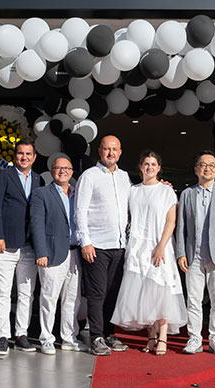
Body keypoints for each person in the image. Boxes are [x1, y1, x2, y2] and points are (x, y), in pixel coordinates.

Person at [111, 150, 186, 356]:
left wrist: (161, 246)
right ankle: (151, 335)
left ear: (159, 168)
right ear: (140, 167)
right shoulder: (133, 191)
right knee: (144, 292)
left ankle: (163, 336)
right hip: (138, 247)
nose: (150, 167)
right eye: (146, 164)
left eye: (153, 164)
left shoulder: (166, 191)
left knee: (161, 291)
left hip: (159, 245)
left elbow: (171, 221)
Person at [175, 151, 215, 355]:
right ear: (196, 169)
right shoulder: (187, 194)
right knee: (193, 300)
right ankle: (194, 338)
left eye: (212, 165)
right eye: (203, 165)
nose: (207, 168)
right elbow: (181, 227)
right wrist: (180, 253)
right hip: (193, 256)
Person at [76, 135, 131, 356]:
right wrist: (85, 242)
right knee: (97, 293)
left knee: (112, 293)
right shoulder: (89, 176)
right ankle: (96, 336)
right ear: (99, 150)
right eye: (107, 149)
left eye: (114, 149)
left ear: (120, 152)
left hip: (119, 244)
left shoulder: (124, 177)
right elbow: (80, 210)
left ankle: (109, 333)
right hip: (96, 245)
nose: (111, 153)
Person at [0, 141, 43, 356]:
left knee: (26, 294)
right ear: (14, 156)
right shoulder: (4, 176)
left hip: (29, 245)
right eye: (21, 153)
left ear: (34, 157)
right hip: (5, 245)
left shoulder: (38, 179)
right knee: (2, 292)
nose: (24, 157)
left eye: (28, 154)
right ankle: (2, 336)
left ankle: (21, 335)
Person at [29, 156, 84, 355]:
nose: (62, 171)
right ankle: (46, 338)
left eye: (66, 168)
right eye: (58, 168)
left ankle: (69, 337)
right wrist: (41, 252)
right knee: (49, 297)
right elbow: (36, 224)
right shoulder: (41, 194)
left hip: (75, 253)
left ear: (72, 172)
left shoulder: (78, 194)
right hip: (52, 253)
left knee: (72, 299)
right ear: (52, 171)